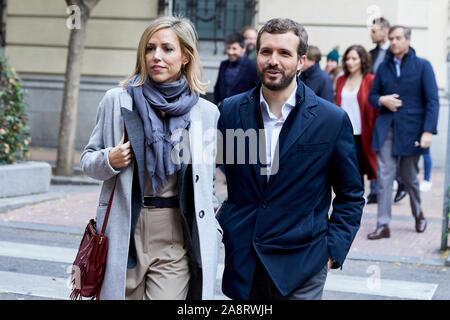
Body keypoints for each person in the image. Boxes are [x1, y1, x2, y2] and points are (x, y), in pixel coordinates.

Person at [217, 18, 364, 300]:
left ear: (301, 61)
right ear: (256, 55)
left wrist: (332, 251)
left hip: (303, 263)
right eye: (266, 51)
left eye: (284, 53)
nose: (274, 60)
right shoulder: (232, 111)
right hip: (244, 261)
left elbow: (351, 194)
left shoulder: (331, 119)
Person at [80, 16, 222, 300]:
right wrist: (110, 159)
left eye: (167, 49)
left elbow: (206, 181)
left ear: (185, 56)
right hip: (125, 229)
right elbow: (87, 160)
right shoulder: (116, 101)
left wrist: (213, 224)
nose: (156, 56)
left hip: (174, 234)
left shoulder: (205, 114)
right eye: (149, 48)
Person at [367, 25, 439, 240]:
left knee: (409, 177)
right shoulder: (383, 67)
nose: (394, 42)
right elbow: (372, 96)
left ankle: (419, 214)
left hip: (412, 130)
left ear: (408, 40)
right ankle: (383, 225)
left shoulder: (423, 66)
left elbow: (433, 101)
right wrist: (382, 100)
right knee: (384, 176)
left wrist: (428, 131)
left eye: (398, 38)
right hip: (386, 128)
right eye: (392, 38)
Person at [367, 17, 407, 204]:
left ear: (385, 32)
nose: (371, 34)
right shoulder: (371, 54)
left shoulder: (395, 56)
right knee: (376, 150)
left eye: (374, 31)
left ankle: (401, 182)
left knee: (391, 152)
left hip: (394, 111)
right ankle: (376, 190)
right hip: (374, 105)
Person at [335, 45, 378, 186]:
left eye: (354, 58)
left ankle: (358, 198)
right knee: (343, 169)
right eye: (347, 58)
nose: (350, 62)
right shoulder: (341, 80)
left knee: (359, 168)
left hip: (362, 132)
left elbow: (374, 106)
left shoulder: (370, 80)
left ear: (362, 60)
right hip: (342, 132)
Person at [214, 32, 259, 106]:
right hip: (223, 111)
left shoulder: (253, 67)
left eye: (234, 48)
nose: (230, 52)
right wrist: (217, 103)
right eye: (228, 48)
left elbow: (257, 93)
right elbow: (217, 88)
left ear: (244, 48)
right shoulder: (223, 64)